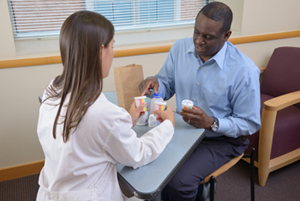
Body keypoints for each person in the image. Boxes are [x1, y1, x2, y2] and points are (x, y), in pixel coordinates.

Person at [36, 10, 175, 201]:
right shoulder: (104, 114)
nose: (114, 52)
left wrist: (128, 118)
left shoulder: (53, 89)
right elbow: (138, 154)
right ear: (101, 51)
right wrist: (169, 124)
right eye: (112, 46)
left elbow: (90, 135)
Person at [138, 2, 261, 201]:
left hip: (221, 140)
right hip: (183, 130)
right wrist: (154, 83)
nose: (198, 41)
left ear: (226, 36)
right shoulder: (180, 48)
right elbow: (166, 85)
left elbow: (249, 124)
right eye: (196, 32)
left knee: (179, 182)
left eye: (208, 37)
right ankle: (196, 193)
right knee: (149, 166)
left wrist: (212, 122)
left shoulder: (244, 71)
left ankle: (195, 193)